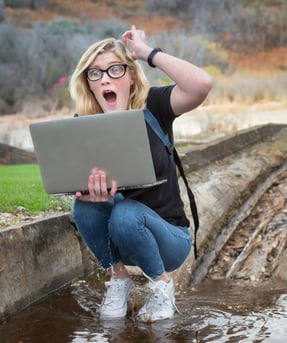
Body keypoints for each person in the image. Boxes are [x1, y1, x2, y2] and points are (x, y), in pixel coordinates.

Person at [69, 25, 212, 322]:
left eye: (115, 70)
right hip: (119, 242)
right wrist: (88, 192)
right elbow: (75, 184)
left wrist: (147, 53)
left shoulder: (156, 106)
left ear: (131, 77)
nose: (105, 78)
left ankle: (161, 288)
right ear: (90, 84)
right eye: (95, 73)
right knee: (83, 205)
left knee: (126, 212)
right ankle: (118, 281)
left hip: (168, 240)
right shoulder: (82, 125)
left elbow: (201, 84)